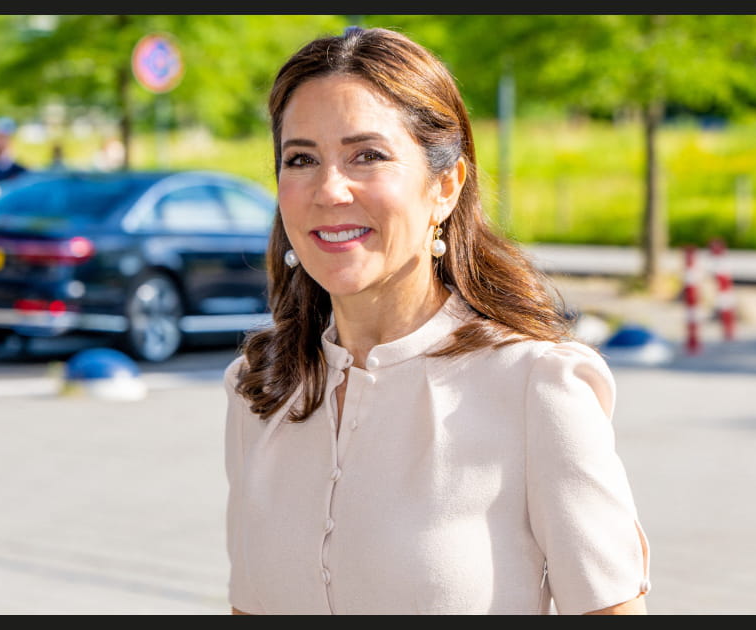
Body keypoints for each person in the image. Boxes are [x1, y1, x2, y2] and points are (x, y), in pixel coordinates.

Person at [222, 26, 651, 615]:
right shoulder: (260, 388)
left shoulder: (536, 386)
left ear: (446, 186)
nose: (329, 188)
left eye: (366, 155)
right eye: (301, 159)